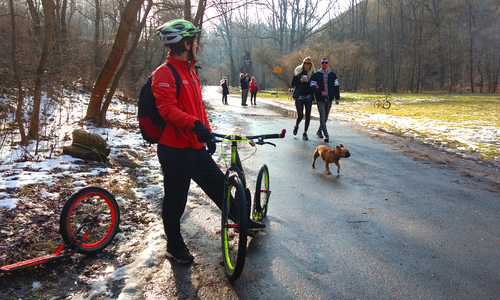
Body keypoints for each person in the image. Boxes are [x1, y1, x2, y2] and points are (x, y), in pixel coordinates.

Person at [152, 19, 265, 264]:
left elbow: (198, 109)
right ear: (184, 43)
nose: (196, 44)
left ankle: (241, 220)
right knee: (175, 198)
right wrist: (195, 126)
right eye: (193, 40)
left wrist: (208, 133)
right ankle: (173, 245)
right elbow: (166, 109)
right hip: (174, 149)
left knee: (218, 185)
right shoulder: (164, 73)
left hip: (194, 146)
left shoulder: (190, 72)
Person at [310, 57, 340, 143]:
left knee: (326, 117)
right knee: (322, 116)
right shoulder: (316, 75)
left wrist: (337, 98)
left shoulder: (333, 75)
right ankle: (326, 135)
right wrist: (320, 91)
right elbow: (312, 87)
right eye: (322, 63)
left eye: (326, 62)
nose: (324, 64)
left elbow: (336, 87)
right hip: (320, 99)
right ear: (320, 64)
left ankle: (319, 130)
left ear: (328, 64)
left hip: (329, 99)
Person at [290, 57, 315, 140]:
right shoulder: (298, 72)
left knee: (308, 115)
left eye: (308, 63)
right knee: (300, 115)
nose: (306, 65)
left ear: (310, 65)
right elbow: (293, 83)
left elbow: (314, 85)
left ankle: (305, 132)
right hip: (299, 96)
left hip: (308, 96)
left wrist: (313, 85)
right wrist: (300, 81)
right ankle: (296, 125)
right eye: (305, 63)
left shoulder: (312, 74)